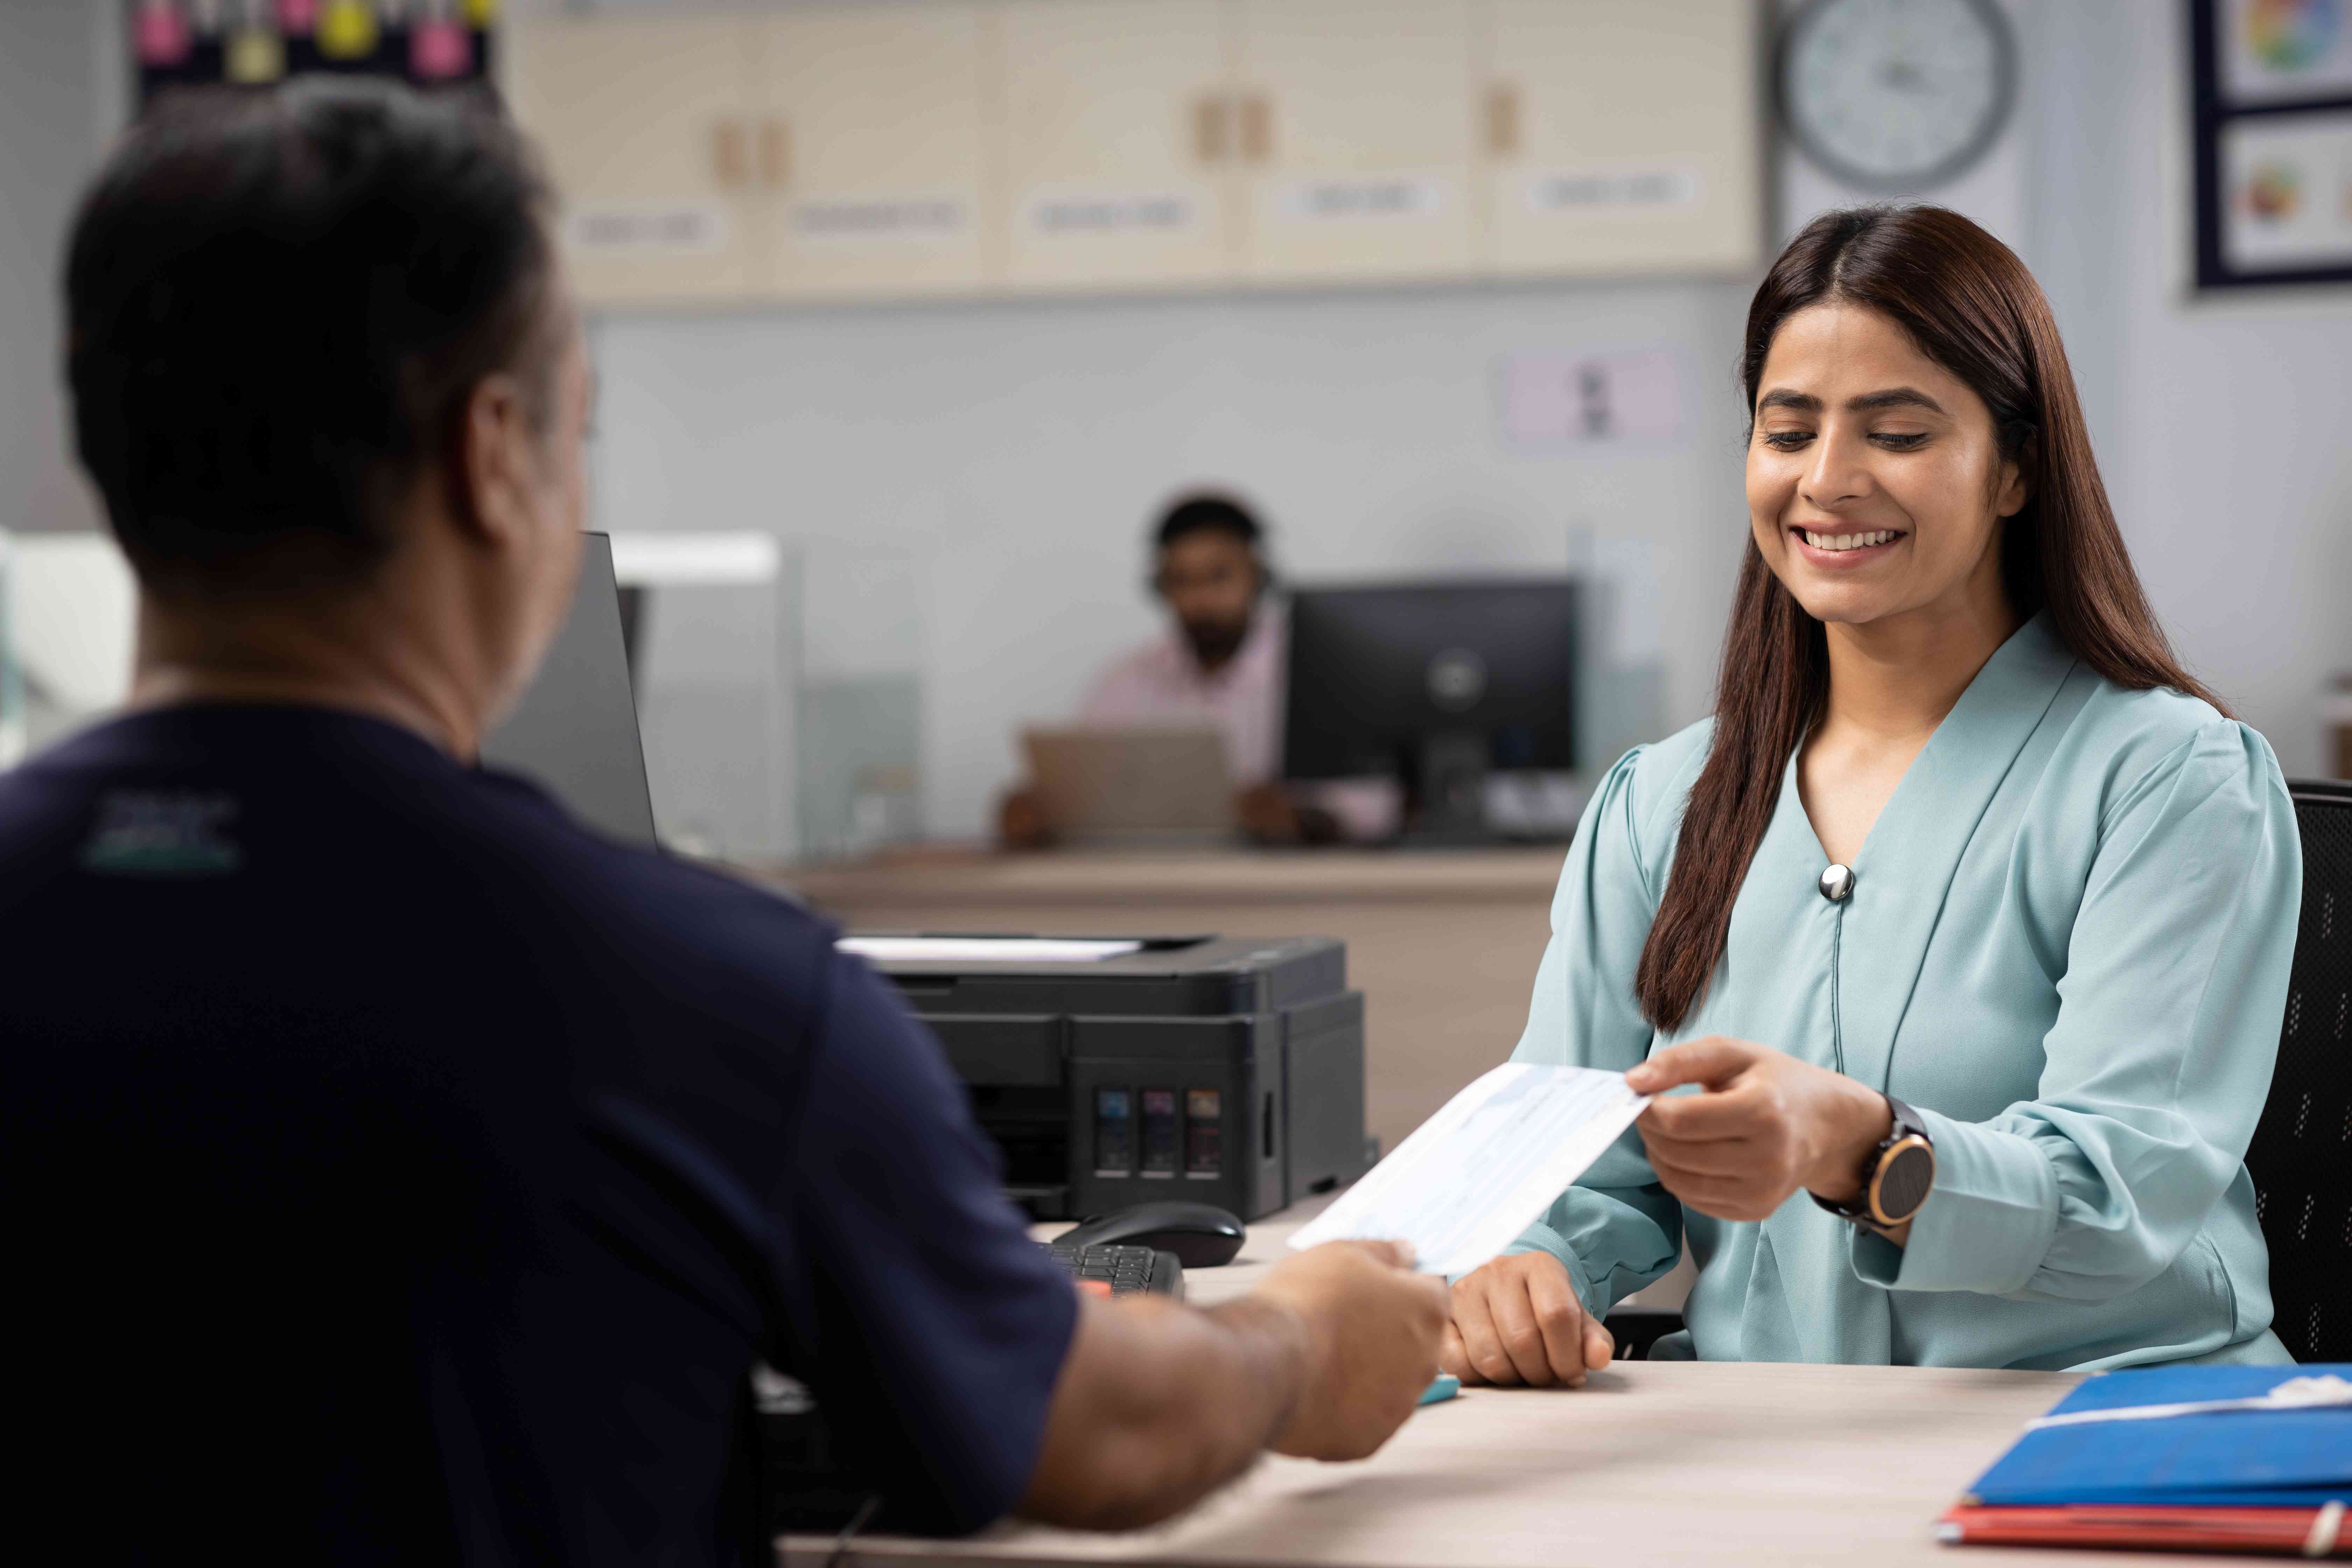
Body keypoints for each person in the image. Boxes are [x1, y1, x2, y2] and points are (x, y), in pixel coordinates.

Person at [0, 82, 1448, 1563]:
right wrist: (1291, 1340)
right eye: (583, 428)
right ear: (494, 455)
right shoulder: (697, 982)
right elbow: (1085, 1429)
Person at [1442, 205, 2300, 1386]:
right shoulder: (1663, 800)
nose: (1829, 481)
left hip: (2100, 1434)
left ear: (2015, 468)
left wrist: (1866, 1149)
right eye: (1786, 432)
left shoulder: (2168, 777)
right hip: (1767, 1440)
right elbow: (1576, 1167)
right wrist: (1529, 1264)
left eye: (1897, 433)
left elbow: (2123, 1188)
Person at [999, 496, 1396, 845]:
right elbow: (1083, 788)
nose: (1200, 599)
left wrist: (1301, 816)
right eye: (1181, 581)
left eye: (1219, 576)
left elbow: (1378, 802)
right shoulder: (1127, 677)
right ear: (1160, 588)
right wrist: (1044, 809)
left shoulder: (1322, 670)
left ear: (1258, 577)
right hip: (1165, 891)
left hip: (1294, 893)